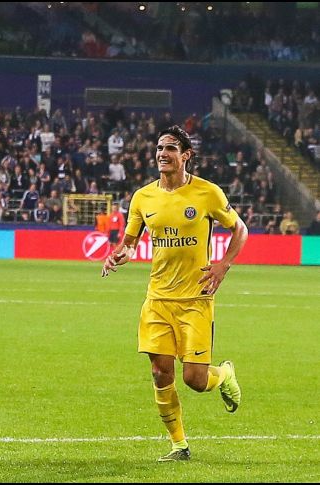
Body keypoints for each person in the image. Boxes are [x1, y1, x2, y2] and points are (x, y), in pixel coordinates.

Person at [101, 125, 248, 462]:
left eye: (170, 148)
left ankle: (223, 373)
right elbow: (130, 243)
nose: (162, 153)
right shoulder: (142, 197)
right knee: (159, 372)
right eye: (159, 148)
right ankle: (179, 445)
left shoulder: (207, 193)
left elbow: (239, 228)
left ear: (186, 155)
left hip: (195, 300)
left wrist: (224, 264)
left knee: (195, 379)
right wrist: (118, 255)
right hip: (158, 300)